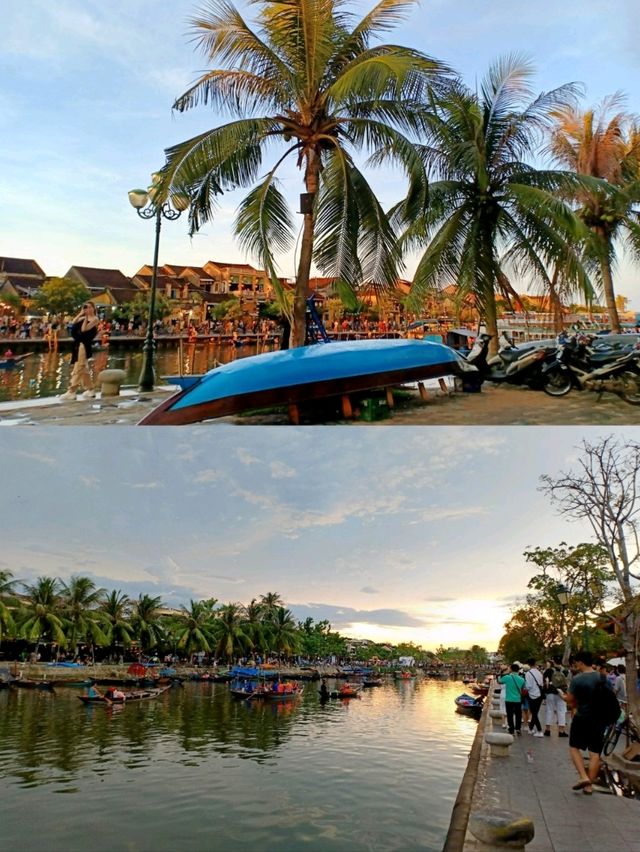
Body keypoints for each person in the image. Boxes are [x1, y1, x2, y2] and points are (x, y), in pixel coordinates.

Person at [560, 650, 606, 795]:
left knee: (574, 747)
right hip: (599, 719)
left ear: (580, 662)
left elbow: (570, 700)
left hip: (582, 718)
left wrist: (562, 695)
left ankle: (583, 777)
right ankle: (588, 786)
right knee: (595, 754)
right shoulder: (602, 678)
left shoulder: (578, 680)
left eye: (576, 663)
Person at [60, 301, 99, 400]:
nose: (88, 309)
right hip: (78, 344)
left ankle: (71, 391)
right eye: (86, 307)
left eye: (90, 307)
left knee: (79, 367)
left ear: (94, 308)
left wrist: (86, 317)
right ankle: (90, 389)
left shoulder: (95, 319)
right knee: (83, 367)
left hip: (84, 345)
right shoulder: (82, 317)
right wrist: (81, 313)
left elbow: (84, 329)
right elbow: (73, 322)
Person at [543, 658, 569, 737]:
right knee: (561, 711)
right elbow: (567, 683)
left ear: (553, 662)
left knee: (549, 710)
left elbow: (545, 682)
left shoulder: (548, 671)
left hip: (550, 692)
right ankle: (561, 731)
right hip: (561, 693)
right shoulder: (565, 671)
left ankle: (547, 730)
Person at [498, 663, 525, 736]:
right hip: (518, 700)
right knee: (518, 715)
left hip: (509, 699)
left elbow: (500, 681)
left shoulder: (507, 677)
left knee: (509, 715)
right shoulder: (522, 679)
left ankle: (511, 729)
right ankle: (518, 729)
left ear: (511, 669)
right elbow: (523, 688)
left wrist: (503, 672)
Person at [524, 658, 545, 736]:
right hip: (539, 694)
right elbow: (542, 684)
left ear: (529, 664)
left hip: (532, 695)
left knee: (534, 713)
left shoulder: (528, 673)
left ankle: (540, 731)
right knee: (535, 712)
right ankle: (531, 728)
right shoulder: (539, 673)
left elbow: (528, 686)